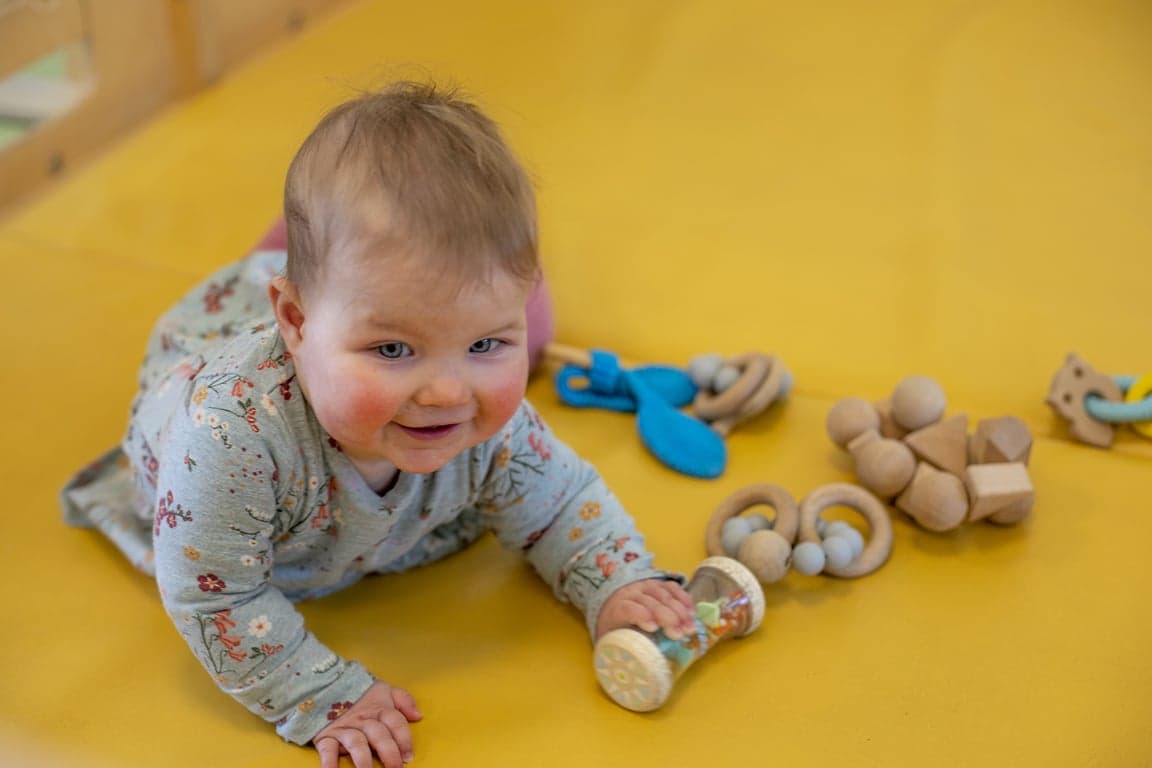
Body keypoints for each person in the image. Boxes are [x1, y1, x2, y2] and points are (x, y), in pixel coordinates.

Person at [61, 81, 696, 768]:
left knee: (533, 331)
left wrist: (616, 582)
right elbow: (216, 596)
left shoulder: (481, 414)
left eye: (485, 344)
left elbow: (561, 500)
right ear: (296, 322)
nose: (449, 394)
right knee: (302, 278)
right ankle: (288, 262)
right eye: (393, 349)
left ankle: (354, 277)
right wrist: (318, 694)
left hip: (335, 312)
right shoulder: (227, 436)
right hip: (217, 361)